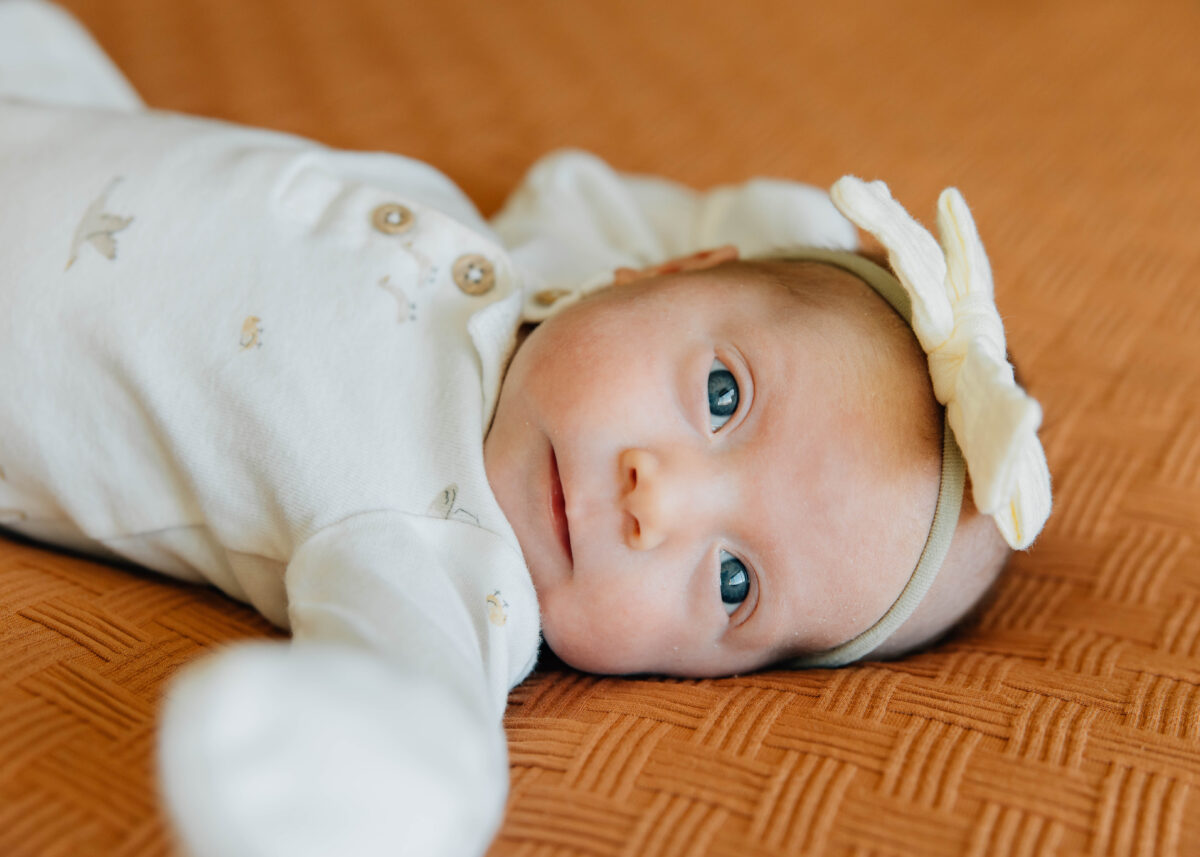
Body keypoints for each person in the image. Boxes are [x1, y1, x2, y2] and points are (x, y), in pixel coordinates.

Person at [0, 2, 1051, 856]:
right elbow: (617, 198)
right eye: (723, 396)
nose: (658, 502)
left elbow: (424, 711)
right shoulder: (559, 268)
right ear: (662, 277)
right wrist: (812, 242)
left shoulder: (449, 554)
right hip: (53, 108)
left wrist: (355, 784)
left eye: (733, 581)